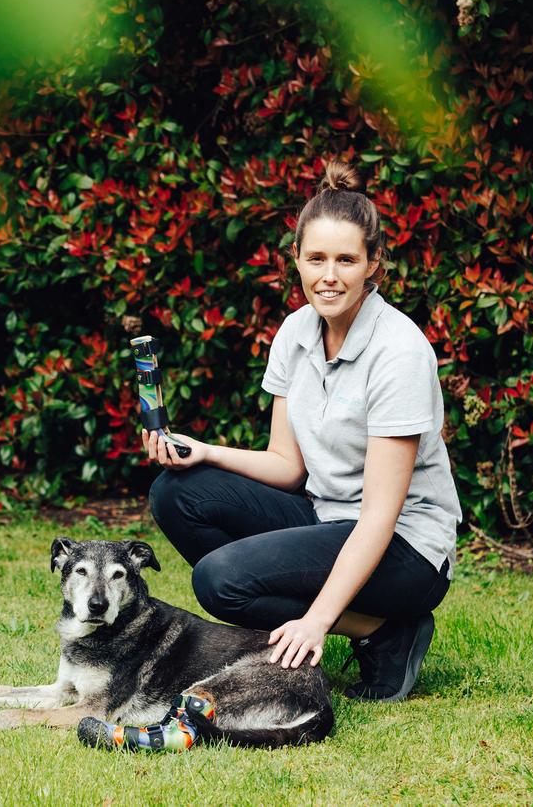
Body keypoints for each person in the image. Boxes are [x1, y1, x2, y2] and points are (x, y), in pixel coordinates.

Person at [143, 160, 462, 702]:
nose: (329, 275)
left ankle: (388, 628)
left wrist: (316, 620)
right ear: (296, 260)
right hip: (325, 514)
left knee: (220, 580)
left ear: (373, 265)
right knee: (176, 493)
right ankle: (366, 628)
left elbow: (379, 518)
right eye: (316, 259)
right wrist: (203, 451)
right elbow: (287, 466)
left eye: (346, 260)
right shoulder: (295, 332)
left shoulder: (399, 353)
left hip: (406, 547)